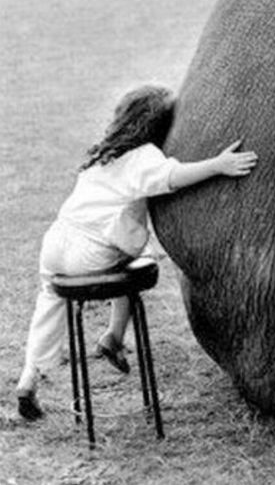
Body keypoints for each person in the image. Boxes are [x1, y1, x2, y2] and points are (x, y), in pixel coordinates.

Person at [16, 84, 257, 421]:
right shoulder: (143, 158)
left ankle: (30, 378)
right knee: (131, 264)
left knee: (49, 302)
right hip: (90, 251)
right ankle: (113, 336)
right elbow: (174, 177)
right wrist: (219, 165)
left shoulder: (102, 155)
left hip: (56, 242)